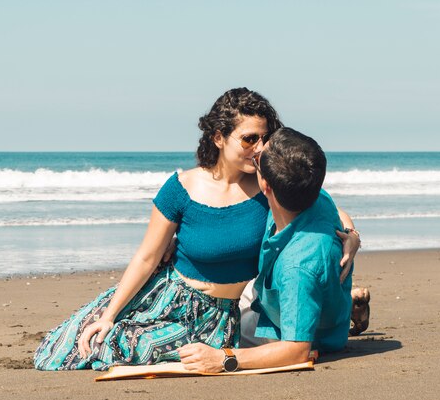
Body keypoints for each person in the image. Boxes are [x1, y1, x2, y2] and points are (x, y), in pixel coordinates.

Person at [34, 88, 360, 371]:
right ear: (219, 137)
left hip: (218, 316)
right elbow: (147, 258)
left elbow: (318, 203)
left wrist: (351, 237)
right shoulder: (181, 188)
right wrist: (110, 314)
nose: (259, 148)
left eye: (265, 138)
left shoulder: (269, 185)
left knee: (117, 347)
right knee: (69, 346)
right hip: (163, 294)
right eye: (249, 139)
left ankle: (342, 311)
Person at [178, 127, 357, 372]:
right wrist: (352, 235)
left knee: (200, 338)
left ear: (266, 186)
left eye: (259, 159)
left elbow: (297, 349)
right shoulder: (311, 194)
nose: (258, 148)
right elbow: (339, 214)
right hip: (273, 295)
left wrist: (223, 358)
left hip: (286, 331)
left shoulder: (297, 268)